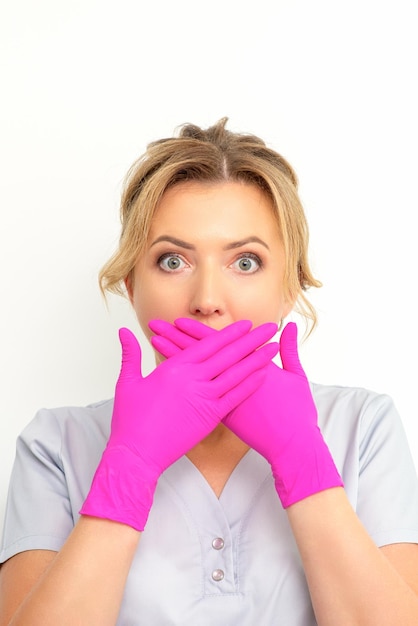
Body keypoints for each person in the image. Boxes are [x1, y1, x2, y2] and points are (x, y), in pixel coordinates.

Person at [1, 118, 418, 626]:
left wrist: (304, 462)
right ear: (132, 287)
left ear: (288, 287)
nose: (206, 302)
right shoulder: (56, 444)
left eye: (245, 262)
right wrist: (128, 467)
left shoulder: (363, 427)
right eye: (173, 261)